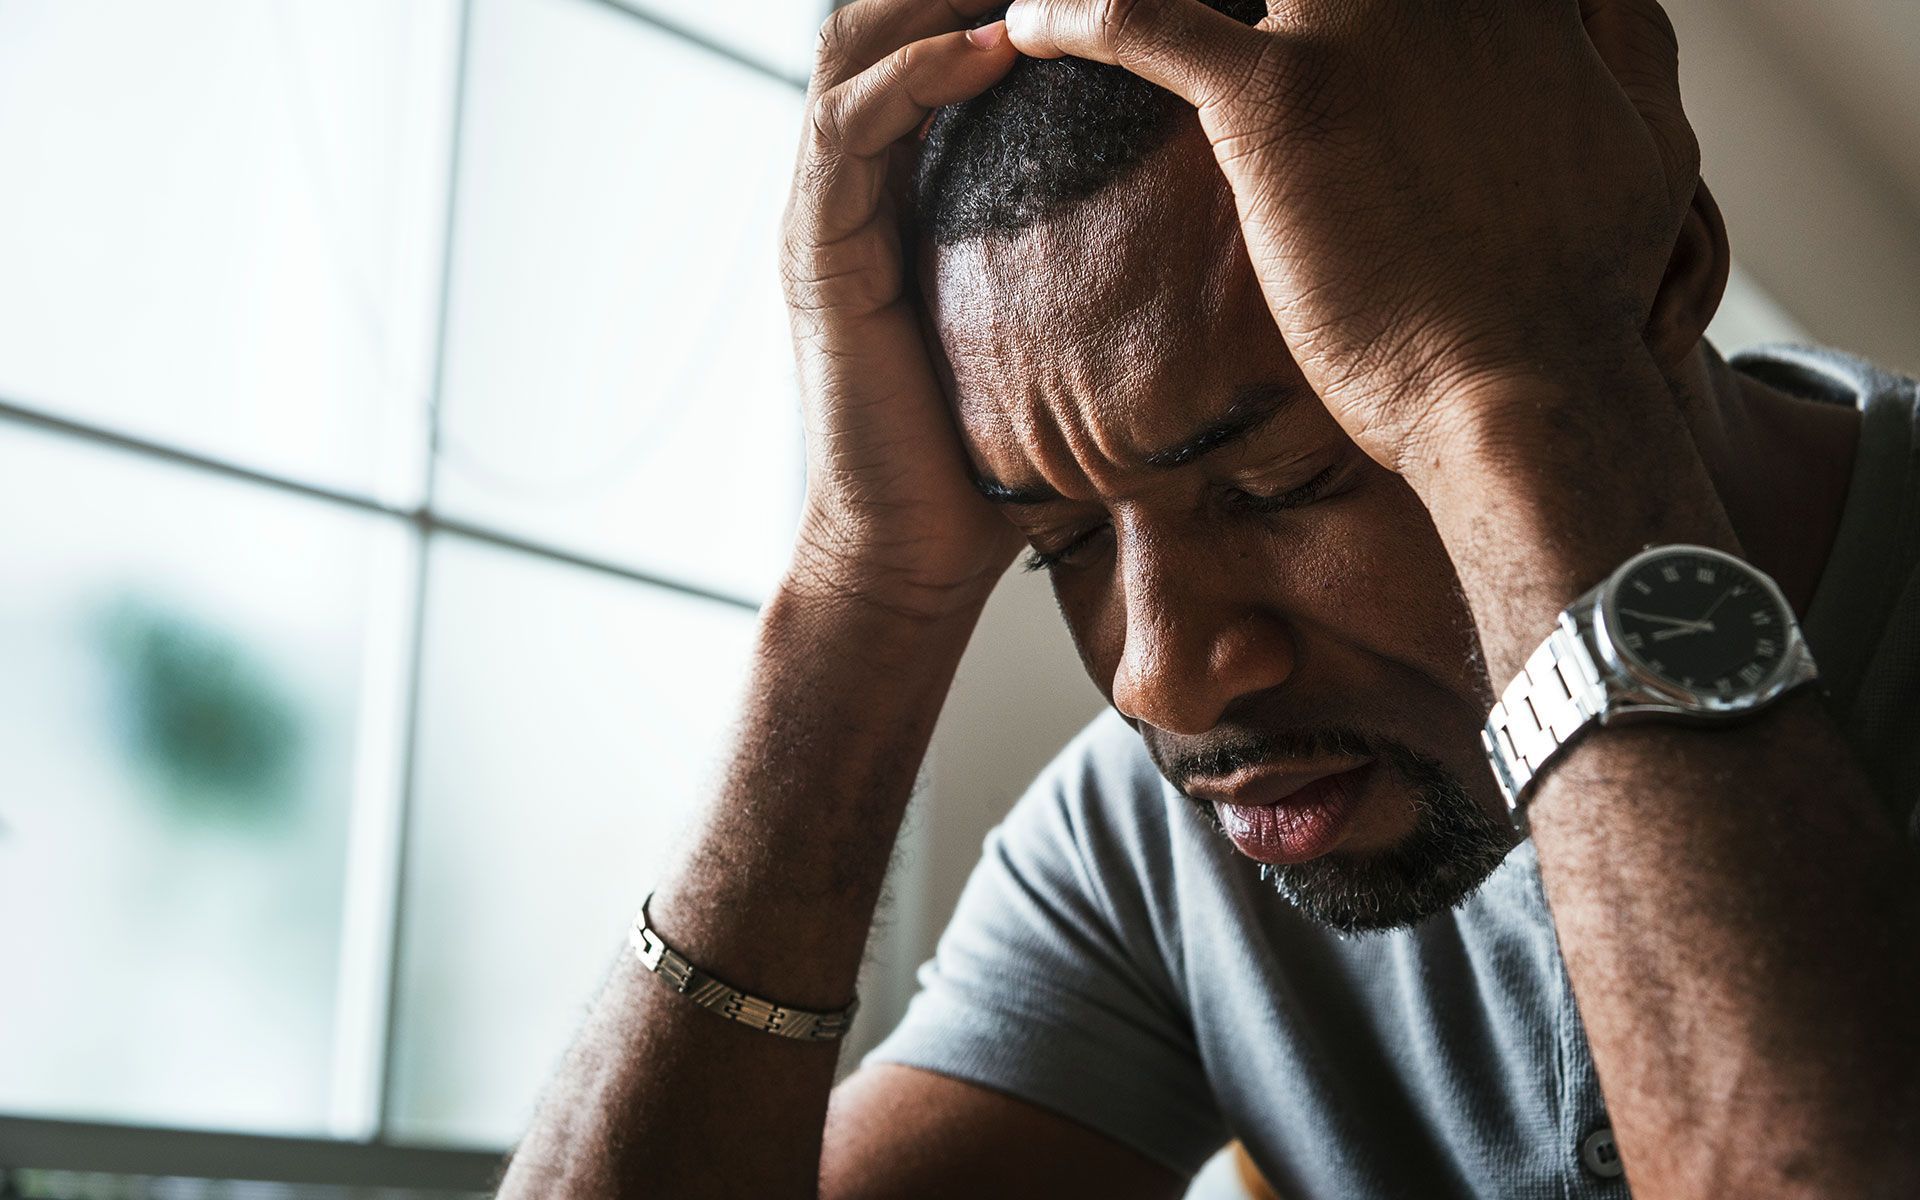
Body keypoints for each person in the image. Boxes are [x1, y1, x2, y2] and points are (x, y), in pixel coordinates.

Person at [497, 0, 1920, 1195]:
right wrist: (857, 586)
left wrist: (1522, 390)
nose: (1160, 680)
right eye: (1060, 545)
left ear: (1661, 268)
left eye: (1287, 483)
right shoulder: (1151, 850)